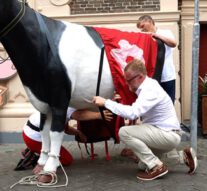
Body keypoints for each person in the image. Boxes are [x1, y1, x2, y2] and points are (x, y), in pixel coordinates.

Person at [92, 59, 197, 181]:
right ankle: (182, 156)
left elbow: (133, 113)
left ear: (140, 77)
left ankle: (157, 166)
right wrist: (135, 149)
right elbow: (140, 116)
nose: (127, 84)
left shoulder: (149, 89)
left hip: (167, 135)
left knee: (124, 132)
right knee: (142, 165)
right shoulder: (148, 86)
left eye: (129, 80)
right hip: (166, 134)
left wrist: (105, 102)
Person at [15, 107, 113, 171]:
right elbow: (79, 115)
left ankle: (33, 150)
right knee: (67, 160)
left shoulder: (58, 100)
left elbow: (65, 128)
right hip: (35, 138)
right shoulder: (66, 104)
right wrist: (99, 115)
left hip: (28, 133)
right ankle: (36, 157)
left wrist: (78, 132)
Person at [137, 15, 177, 103]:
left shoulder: (165, 32)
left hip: (167, 76)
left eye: (143, 26)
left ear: (150, 22)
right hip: (152, 78)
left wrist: (155, 35)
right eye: (140, 28)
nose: (142, 30)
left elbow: (173, 43)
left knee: (169, 103)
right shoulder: (145, 37)